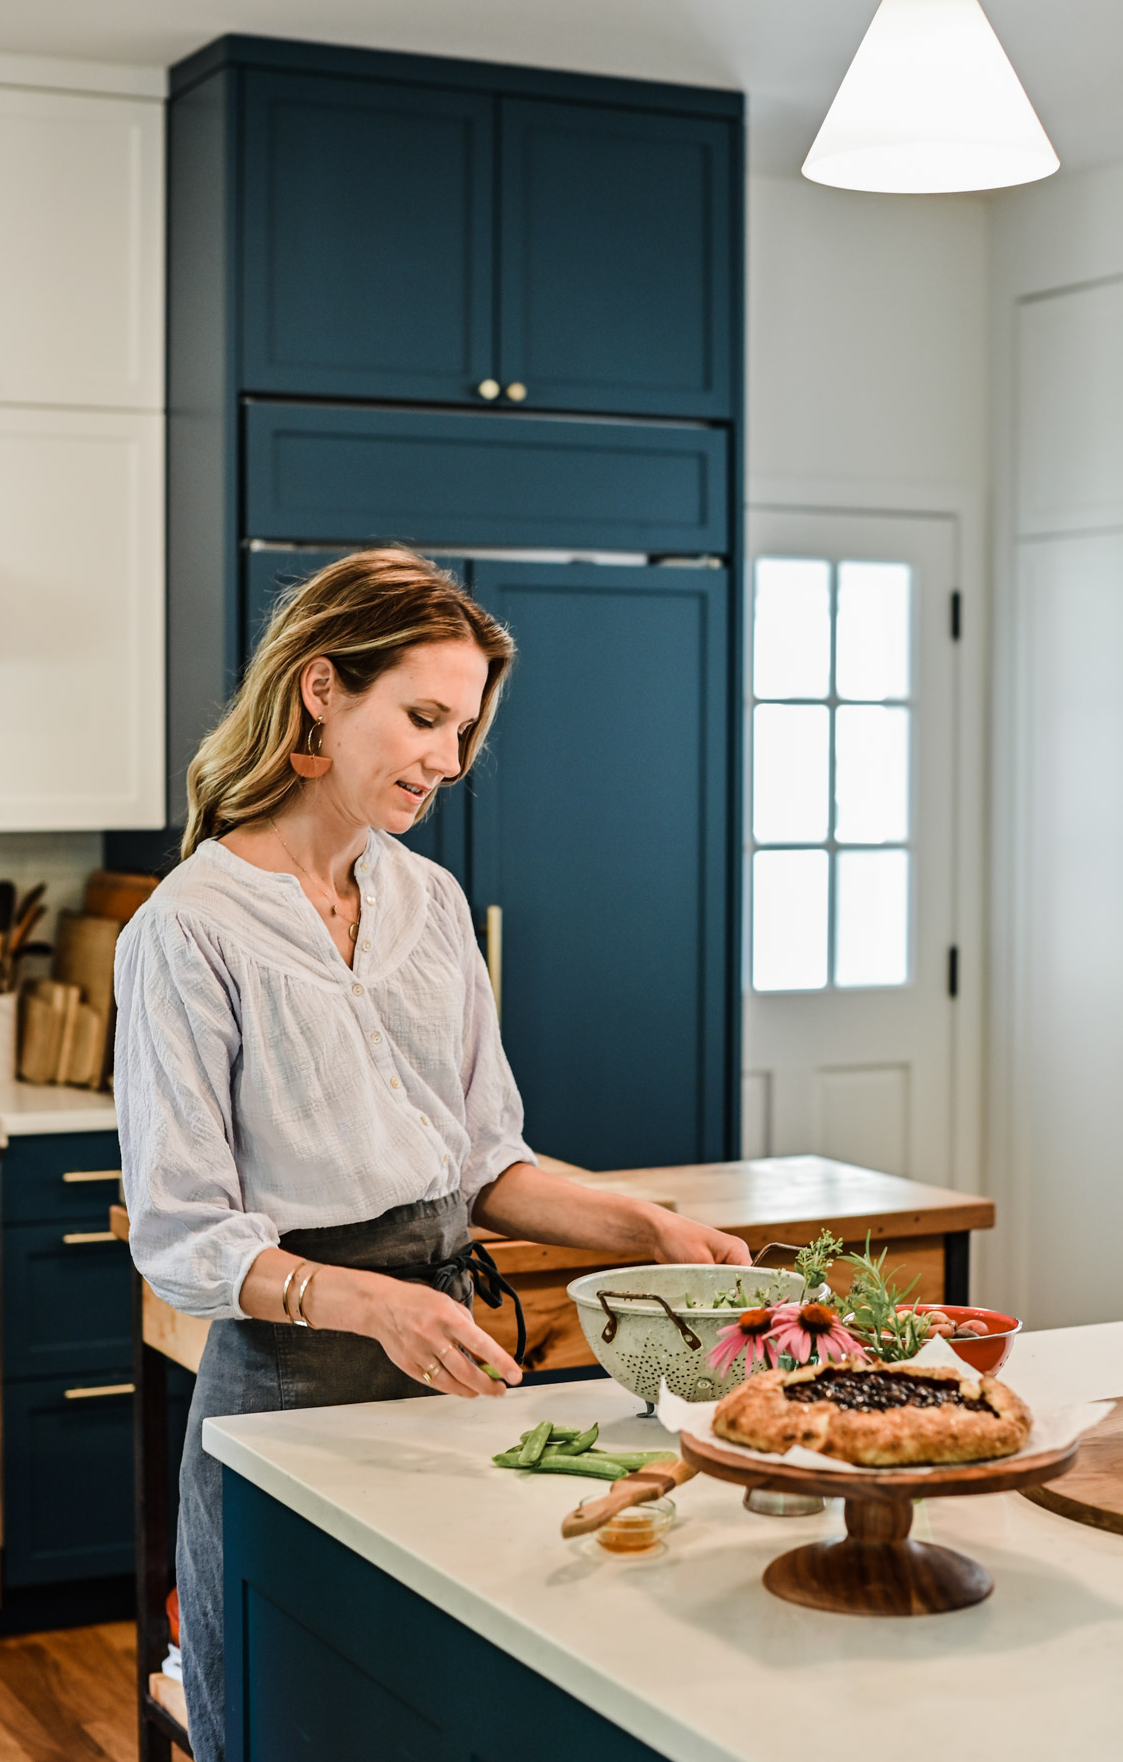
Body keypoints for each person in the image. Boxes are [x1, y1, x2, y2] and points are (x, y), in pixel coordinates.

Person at [114, 546, 751, 1762]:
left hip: (448, 1402)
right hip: (289, 1409)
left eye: (463, 730)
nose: (449, 761)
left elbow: (482, 1165)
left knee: (439, 1721)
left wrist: (648, 1230)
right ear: (320, 689)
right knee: (302, 1728)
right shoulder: (188, 931)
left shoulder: (431, 903)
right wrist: (377, 1304)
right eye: (422, 719)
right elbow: (187, 1239)